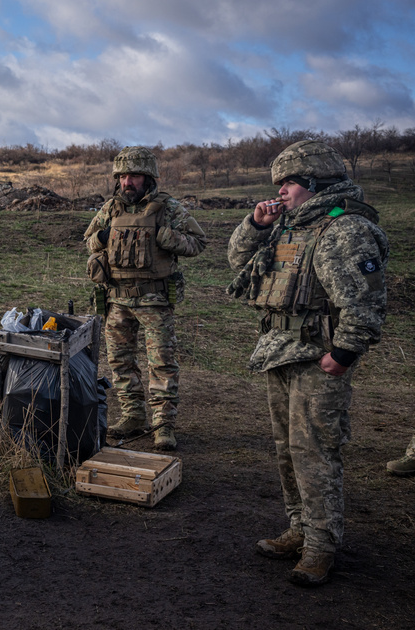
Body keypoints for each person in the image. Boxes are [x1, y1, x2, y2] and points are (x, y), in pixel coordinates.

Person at [227, 139, 388, 586]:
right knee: (286, 450)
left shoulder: (344, 229)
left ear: (315, 183)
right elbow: (239, 263)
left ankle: (321, 545)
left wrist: (345, 352)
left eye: (288, 183)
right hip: (279, 352)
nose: (279, 191)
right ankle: (298, 528)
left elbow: (364, 301)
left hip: (319, 360)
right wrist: (256, 224)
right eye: (277, 183)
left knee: (314, 452)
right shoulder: (290, 225)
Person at [84, 146, 207, 450]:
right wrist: (99, 239)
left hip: (154, 299)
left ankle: (163, 425)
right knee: (120, 362)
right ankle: (132, 414)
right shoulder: (111, 208)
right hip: (117, 300)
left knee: (162, 363)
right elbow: (89, 240)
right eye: (123, 176)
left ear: (148, 178)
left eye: (134, 175)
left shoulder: (169, 208)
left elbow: (198, 242)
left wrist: (170, 239)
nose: (127, 181)